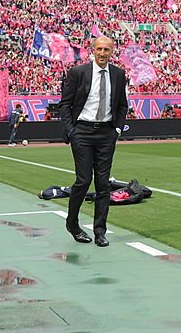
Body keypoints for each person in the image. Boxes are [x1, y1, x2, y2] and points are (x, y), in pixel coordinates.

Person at [60, 37, 128, 247]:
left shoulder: (118, 74)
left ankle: (100, 230)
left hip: (106, 133)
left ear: (111, 51)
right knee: (83, 180)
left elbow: (122, 105)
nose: (102, 53)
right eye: (99, 49)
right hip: (82, 131)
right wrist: (71, 131)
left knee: (103, 183)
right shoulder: (78, 73)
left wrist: (116, 129)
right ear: (93, 51)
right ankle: (72, 224)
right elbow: (65, 104)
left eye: (106, 49)